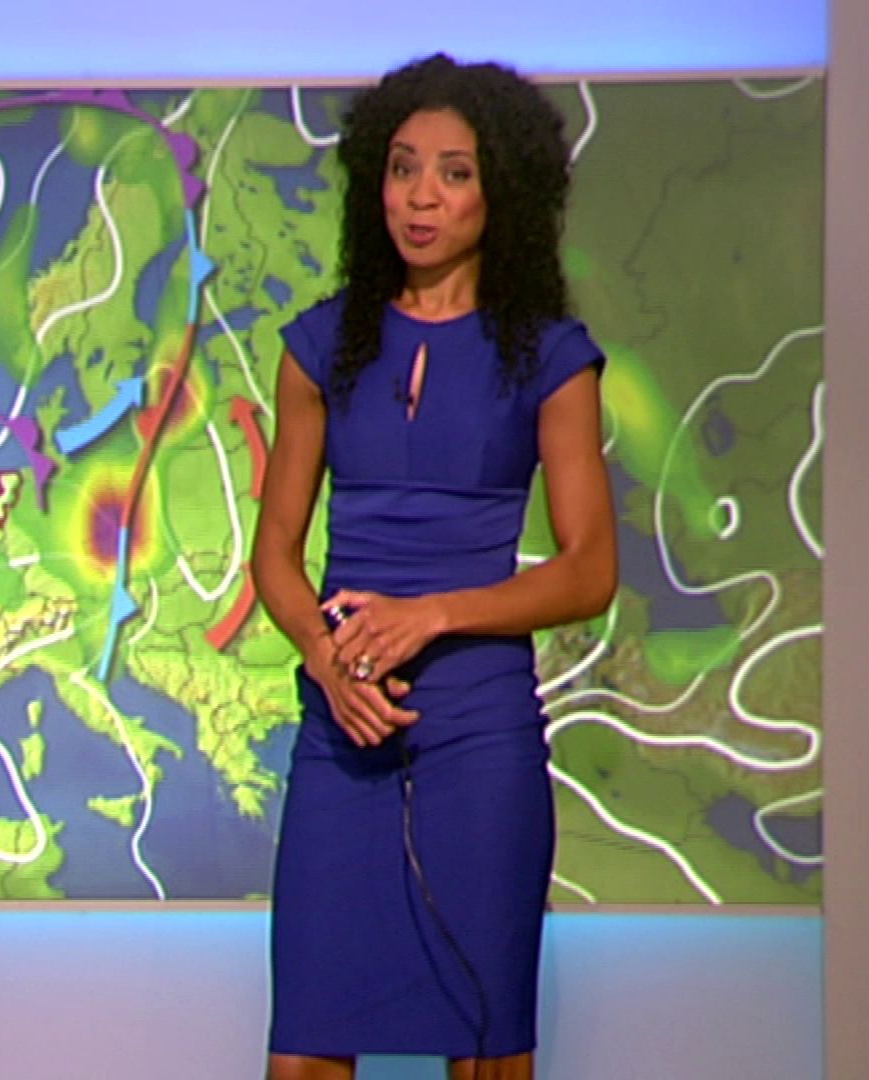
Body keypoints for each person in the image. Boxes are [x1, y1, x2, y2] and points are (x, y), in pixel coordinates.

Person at [251, 53, 618, 1080]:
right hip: (345, 734)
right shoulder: (319, 347)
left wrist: (431, 615)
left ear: (502, 189)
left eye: (454, 173)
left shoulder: (550, 357)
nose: (421, 196)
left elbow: (589, 572)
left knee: (486, 1048)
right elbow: (274, 554)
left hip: (480, 740)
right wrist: (325, 659)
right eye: (403, 167)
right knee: (305, 1050)